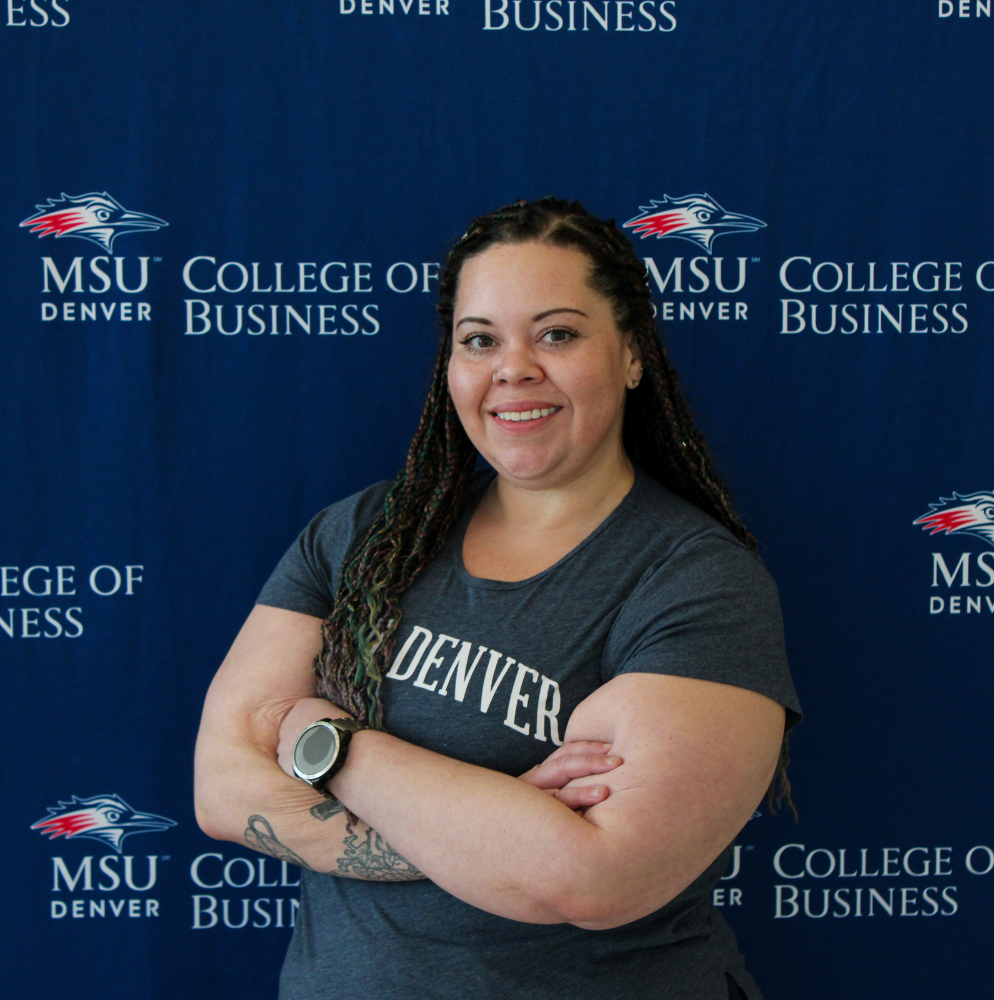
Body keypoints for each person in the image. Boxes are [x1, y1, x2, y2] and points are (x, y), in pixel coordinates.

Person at [194, 197, 801, 1000]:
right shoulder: (360, 534)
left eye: (557, 333)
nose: (513, 368)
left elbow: (591, 878)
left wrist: (329, 745)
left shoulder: (696, 580)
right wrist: (497, 825)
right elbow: (222, 790)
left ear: (631, 353)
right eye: (480, 340)